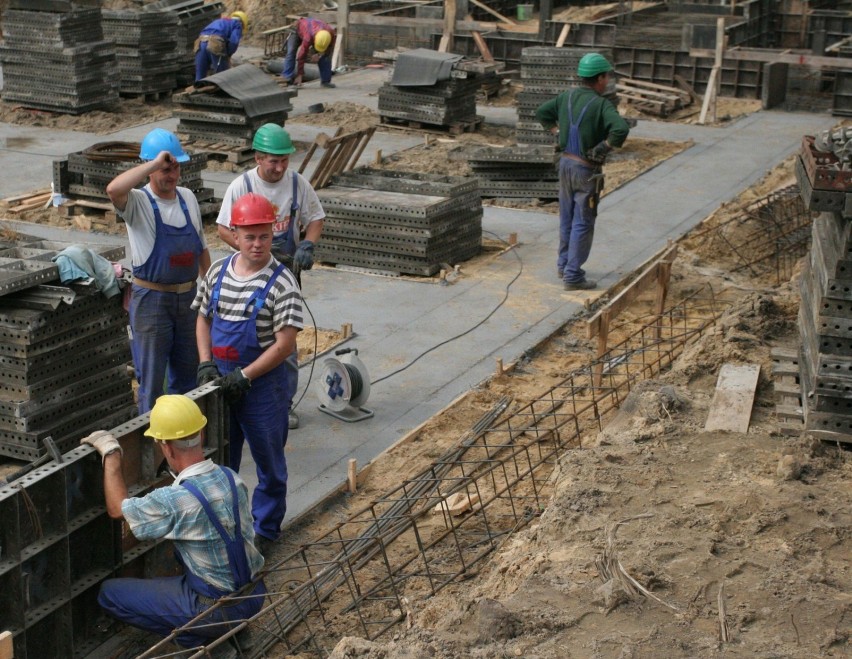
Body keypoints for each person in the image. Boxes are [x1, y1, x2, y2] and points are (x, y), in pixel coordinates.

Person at [80, 395, 266, 650]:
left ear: (165, 447)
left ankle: (210, 641)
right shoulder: (231, 477)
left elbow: (117, 510)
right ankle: (235, 632)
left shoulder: (174, 500)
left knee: (110, 594)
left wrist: (111, 456)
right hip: (255, 594)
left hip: (214, 609)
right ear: (201, 435)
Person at [195, 193, 303, 550]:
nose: (257, 244)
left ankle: (266, 530)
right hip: (221, 381)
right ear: (235, 236)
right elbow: (202, 318)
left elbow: (284, 344)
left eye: (264, 236)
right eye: (250, 236)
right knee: (221, 460)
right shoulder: (217, 272)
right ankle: (228, 525)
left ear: (273, 235)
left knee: (269, 462)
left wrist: (246, 376)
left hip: (262, 388)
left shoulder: (283, 282)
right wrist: (205, 361)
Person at [216, 123, 325, 430]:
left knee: (284, 342)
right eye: (273, 161)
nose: (279, 167)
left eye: (284, 160)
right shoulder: (242, 186)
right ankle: (239, 395)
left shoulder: (297, 184)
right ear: (258, 158)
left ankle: (283, 403)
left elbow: (315, 218)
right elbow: (223, 228)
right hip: (248, 275)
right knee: (247, 334)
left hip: (285, 273)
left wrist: (307, 244)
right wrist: (252, 249)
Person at [106, 128, 211, 414]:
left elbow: (201, 247)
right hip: (152, 302)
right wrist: (155, 162)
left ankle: (183, 446)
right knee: (151, 383)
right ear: (150, 168)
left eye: (176, 166)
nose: (172, 174)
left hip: (188, 299)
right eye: (165, 168)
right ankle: (151, 453)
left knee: (188, 380)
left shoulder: (188, 198)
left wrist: (210, 285)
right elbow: (113, 189)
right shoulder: (138, 202)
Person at [535, 52, 630, 291]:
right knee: (583, 222)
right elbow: (620, 128)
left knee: (566, 217)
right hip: (585, 170)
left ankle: (563, 264)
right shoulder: (601, 104)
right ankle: (573, 276)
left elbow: (542, 113)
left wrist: (557, 132)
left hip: (565, 165)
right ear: (598, 78)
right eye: (606, 76)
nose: (607, 80)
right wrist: (605, 146)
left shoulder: (566, 98)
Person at [281, 17, 336, 88]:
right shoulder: (308, 37)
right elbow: (301, 56)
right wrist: (300, 74)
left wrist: (319, 54)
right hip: (297, 30)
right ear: (314, 40)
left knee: (325, 56)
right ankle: (287, 78)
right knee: (291, 52)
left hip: (312, 31)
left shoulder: (331, 33)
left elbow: (329, 49)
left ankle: (325, 81)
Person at [194, 11, 248, 83]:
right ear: (242, 22)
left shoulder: (220, 21)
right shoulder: (237, 24)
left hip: (200, 42)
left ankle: (197, 90)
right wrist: (228, 54)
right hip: (215, 42)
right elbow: (234, 42)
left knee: (200, 75)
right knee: (222, 76)